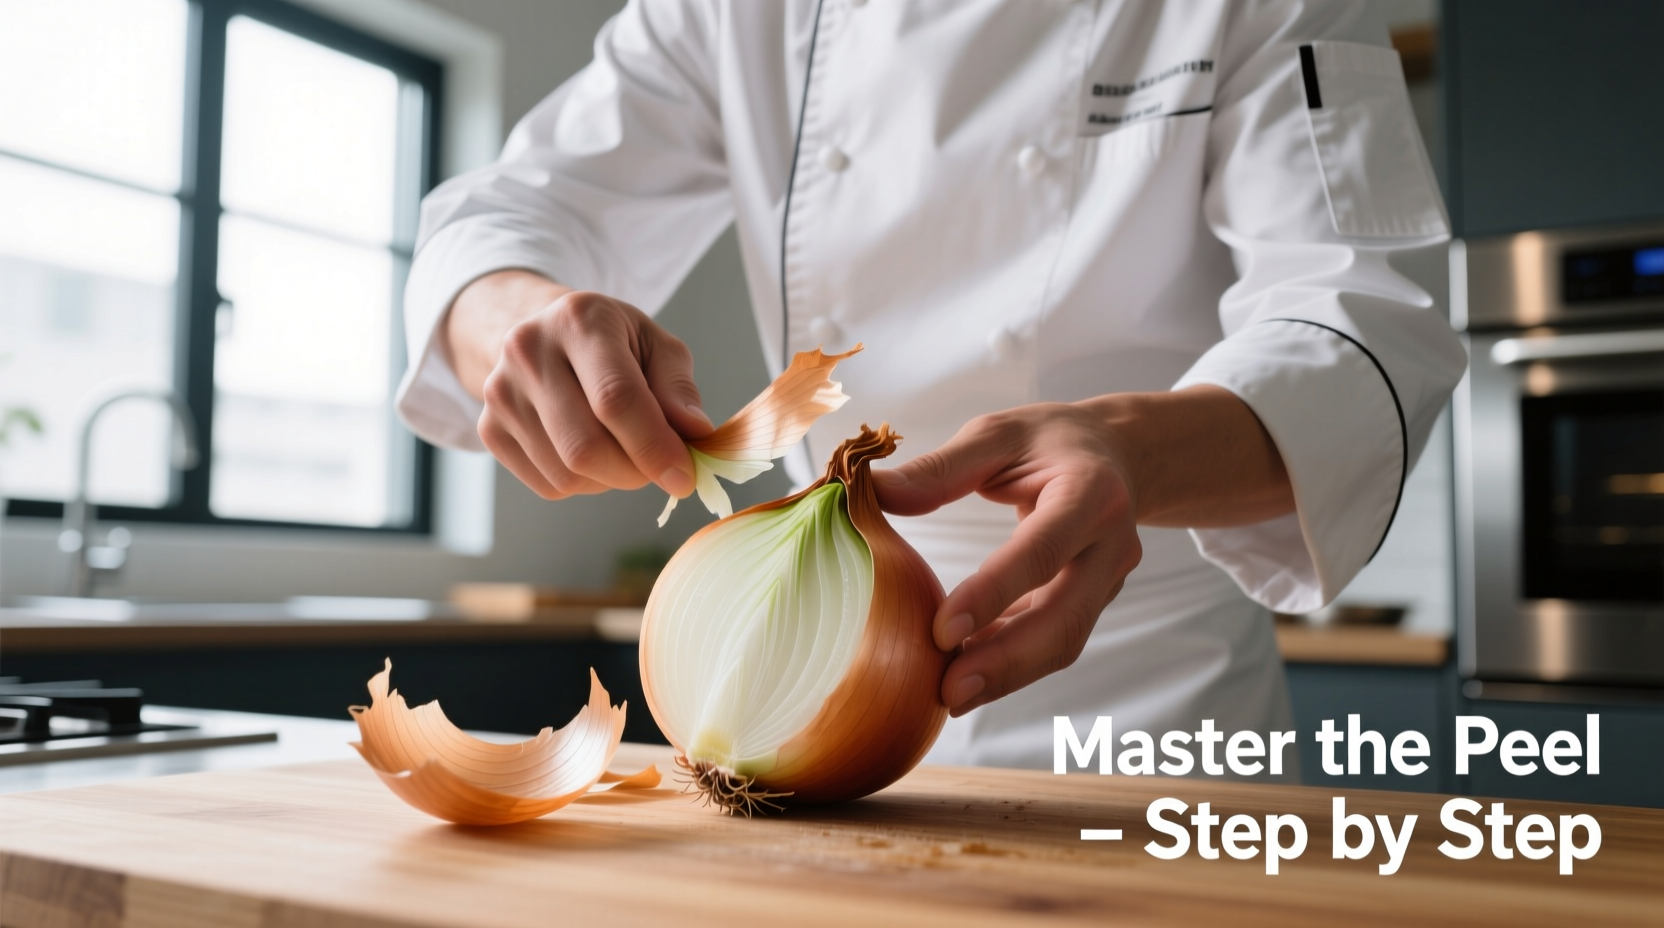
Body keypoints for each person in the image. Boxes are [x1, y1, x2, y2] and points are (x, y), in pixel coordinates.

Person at [396, 0, 1466, 775]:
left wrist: (1132, 454)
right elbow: (509, 211)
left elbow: (1361, 315)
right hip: (794, 705)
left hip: (1148, 716)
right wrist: (517, 317)